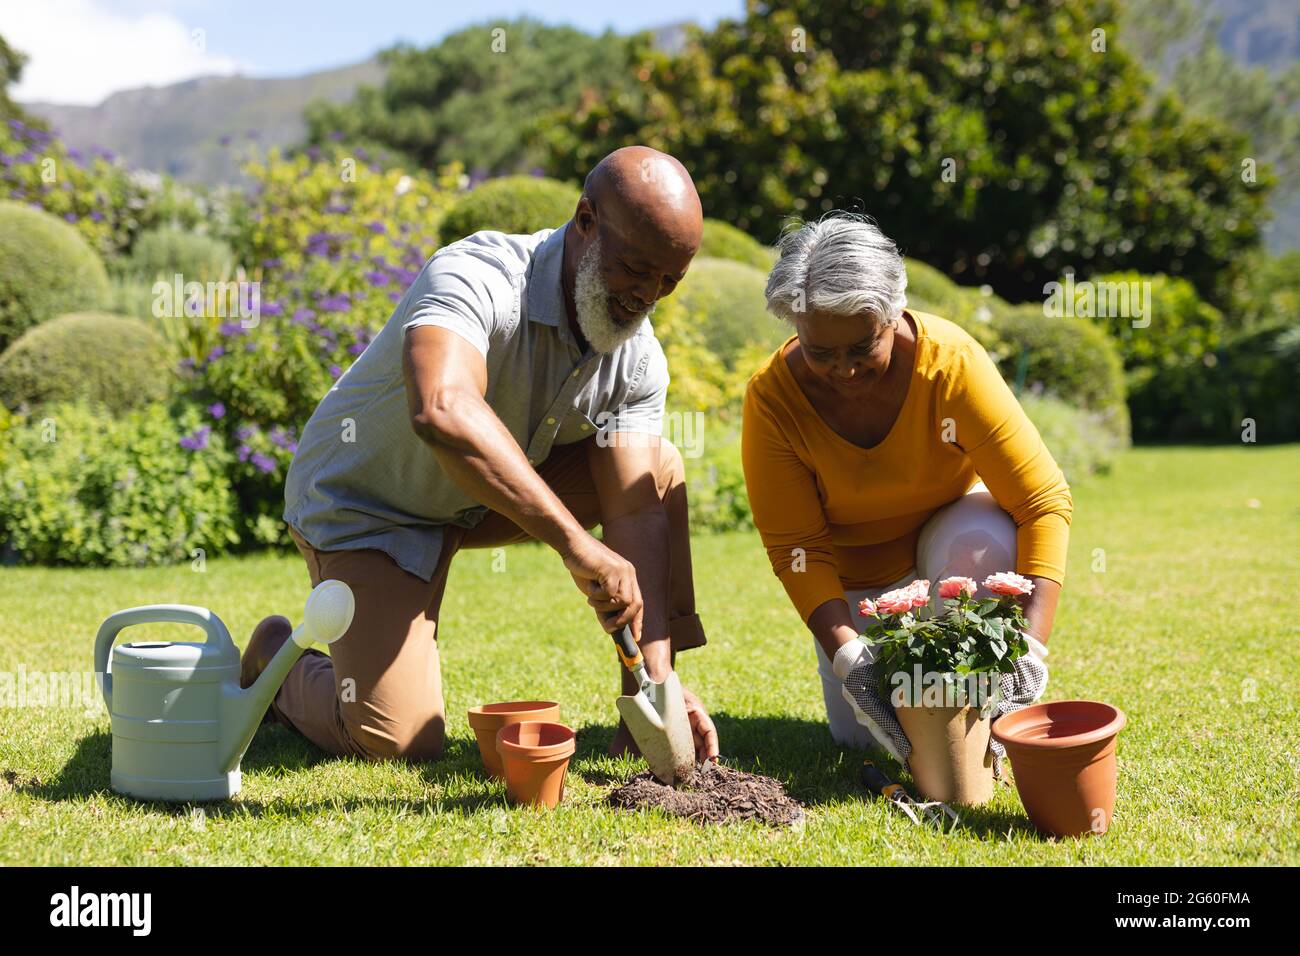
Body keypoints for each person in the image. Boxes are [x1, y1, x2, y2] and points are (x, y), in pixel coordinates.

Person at [242, 146, 719, 766]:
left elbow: (636, 511)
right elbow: (441, 409)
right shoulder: (477, 274)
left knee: (656, 466)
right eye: (633, 268)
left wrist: (653, 688)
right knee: (400, 743)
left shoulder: (638, 358)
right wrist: (576, 544)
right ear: (585, 220)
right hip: (369, 504)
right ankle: (275, 660)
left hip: (475, 502)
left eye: (668, 281)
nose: (646, 295)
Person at [741, 212, 1071, 754]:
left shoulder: (951, 365)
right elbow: (796, 548)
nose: (843, 370)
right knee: (862, 740)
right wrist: (849, 657)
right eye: (820, 352)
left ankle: (990, 700)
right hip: (862, 591)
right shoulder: (773, 400)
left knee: (985, 542)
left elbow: (1041, 502)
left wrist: (1031, 651)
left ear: (892, 316)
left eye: (861, 348)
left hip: (950, 553)